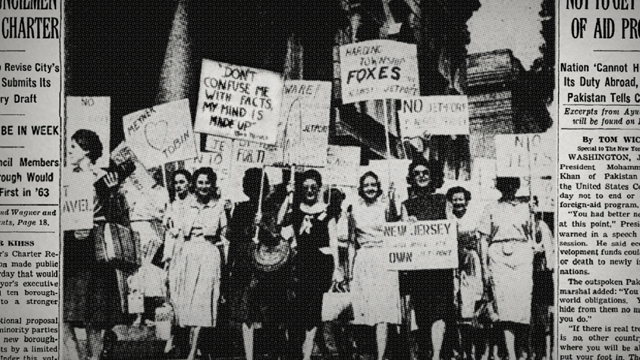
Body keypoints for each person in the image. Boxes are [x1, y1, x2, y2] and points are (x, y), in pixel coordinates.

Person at [63, 129, 128, 360]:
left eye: (73, 148)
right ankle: (74, 357)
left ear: (86, 150)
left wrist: (113, 193)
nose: (68, 151)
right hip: (71, 250)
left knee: (95, 316)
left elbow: (119, 215)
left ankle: (94, 357)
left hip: (95, 249)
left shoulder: (103, 177)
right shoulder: (65, 176)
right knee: (65, 314)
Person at [227, 168, 290, 360]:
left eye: (257, 185)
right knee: (247, 313)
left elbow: (275, 236)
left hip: (266, 266)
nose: (254, 189)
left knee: (269, 311)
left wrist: (262, 223)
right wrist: (230, 265)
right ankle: (249, 355)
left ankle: (273, 352)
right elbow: (233, 238)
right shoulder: (241, 208)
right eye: (250, 185)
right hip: (245, 264)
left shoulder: (271, 208)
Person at [280, 169, 341, 360]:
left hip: (320, 265)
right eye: (305, 187)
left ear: (319, 188)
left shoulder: (328, 210)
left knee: (313, 312)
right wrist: (288, 196)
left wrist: (337, 268)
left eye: (313, 187)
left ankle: (307, 355)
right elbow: (280, 220)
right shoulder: (296, 209)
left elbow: (333, 241)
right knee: (297, 311)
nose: (309, 191)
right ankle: (296, 351)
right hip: (299, 265)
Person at [169, 167, 226, 360]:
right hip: (188, 256)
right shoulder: (184, 206)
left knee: (203, 304)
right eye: (200, 182)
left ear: (212, 185)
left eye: (207, 182)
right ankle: (188, 347)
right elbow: (176, 232)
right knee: (187, 306)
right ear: (194, 184)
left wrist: (228, 213)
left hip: (208, 256)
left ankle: (192, 353)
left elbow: (226, 234)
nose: (203, 186)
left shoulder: (219, 206)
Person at [400, 158, 453, 360]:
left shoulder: (442, 200)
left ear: (432, 176)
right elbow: (402, 235)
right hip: (419, 268)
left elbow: (451, 227)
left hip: (439, 267)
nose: (421, 176)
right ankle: (424, 350)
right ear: (411, 178)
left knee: (439, 311)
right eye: (417, 173)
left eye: (425, 172)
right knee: (422, 312)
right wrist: (407, 225)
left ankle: (437, 355)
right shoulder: (407, 205)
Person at [478, 177, 534, 360]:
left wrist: (536, 213)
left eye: (513, 184)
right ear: (499, 186)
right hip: (498, 257)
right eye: (505, 184)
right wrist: (485, 267)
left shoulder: (527, 207)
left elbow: (534, 234)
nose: (509, 188)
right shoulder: (491, 208)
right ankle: (510, 353)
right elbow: (483, 240)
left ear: (517, 186)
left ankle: (523, 351)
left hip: (522, 255)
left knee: (523, 304)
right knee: (504, 307)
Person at [348, 171, 401, 360]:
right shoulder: (354, 209)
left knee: (383, 310)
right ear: (361, 189)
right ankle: (365, 352)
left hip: (384, 259)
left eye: (373, 185)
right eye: (366, 185)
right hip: (364, 260)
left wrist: (393, 200)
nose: (370, 188)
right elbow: (351, 242)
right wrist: (349, 272)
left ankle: (381, 355)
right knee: (364, 308)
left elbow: (396, 227)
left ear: (378, 187)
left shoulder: (386, 206)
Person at [446, 186, 483, 360]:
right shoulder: (447, 217)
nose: (458, 203)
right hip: (452, 263)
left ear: (466, 200)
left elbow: (480, 242)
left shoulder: (474, 217)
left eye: (461, 199)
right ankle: (456, 350)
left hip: (470, 263)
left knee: (470, 306)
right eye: (455, 199)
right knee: (454, 306)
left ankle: (472, 351)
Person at [162, 169, 194, 357]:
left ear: (189, 183)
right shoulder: (171, 205)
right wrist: (167, 258)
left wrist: (180, 229)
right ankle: (173, 336)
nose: (179, 185)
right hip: (174, 255)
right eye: (176, 182)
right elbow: (168, 235)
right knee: (173, 296)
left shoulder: (193, 204)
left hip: (189, 254)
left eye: (182, 182)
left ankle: (191, 339)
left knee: (188, 296)